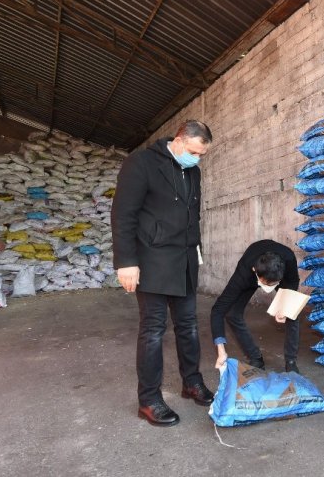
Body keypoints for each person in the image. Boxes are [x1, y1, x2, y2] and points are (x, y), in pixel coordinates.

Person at [111, 120, 214, 427]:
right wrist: (125, 261)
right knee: (154, 330)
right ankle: (150, 399)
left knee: (189, 326)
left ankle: (191, 382)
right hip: (152, 259)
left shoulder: (192, 170)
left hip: (184, 260)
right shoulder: (141, 163)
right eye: (194, 152)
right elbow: (123, 213)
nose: (197, 159)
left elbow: (192, 215)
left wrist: (196, 250)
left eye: (201, 155)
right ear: (179, 141)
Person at [211, 240, 301, 373]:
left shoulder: (288, 259)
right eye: (266, 284)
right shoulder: (244, 273)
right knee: (232, 313)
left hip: (278, 272)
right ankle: (255, 357)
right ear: (255, 271)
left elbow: (293, 282)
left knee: (293, 312)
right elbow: (217, 310)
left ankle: (291, 361)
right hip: (252, 271)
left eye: (273, 284)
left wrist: (284, 306)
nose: (267, 289)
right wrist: (221, 350)